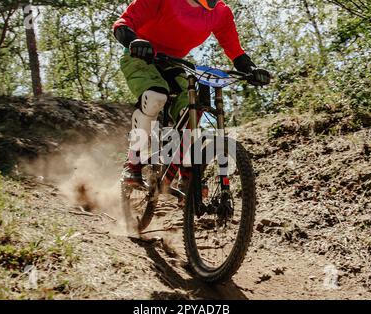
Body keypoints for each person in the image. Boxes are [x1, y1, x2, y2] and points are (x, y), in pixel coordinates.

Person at [113, 0, 271, 185]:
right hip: (139, 57)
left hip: (173, 63)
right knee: (155, 97)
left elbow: (235, 50)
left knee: (191, 112)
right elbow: (122, 23)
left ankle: (186, 172)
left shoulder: (221, 13)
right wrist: (134, 41)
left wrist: (251, 70)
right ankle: (133, 161)